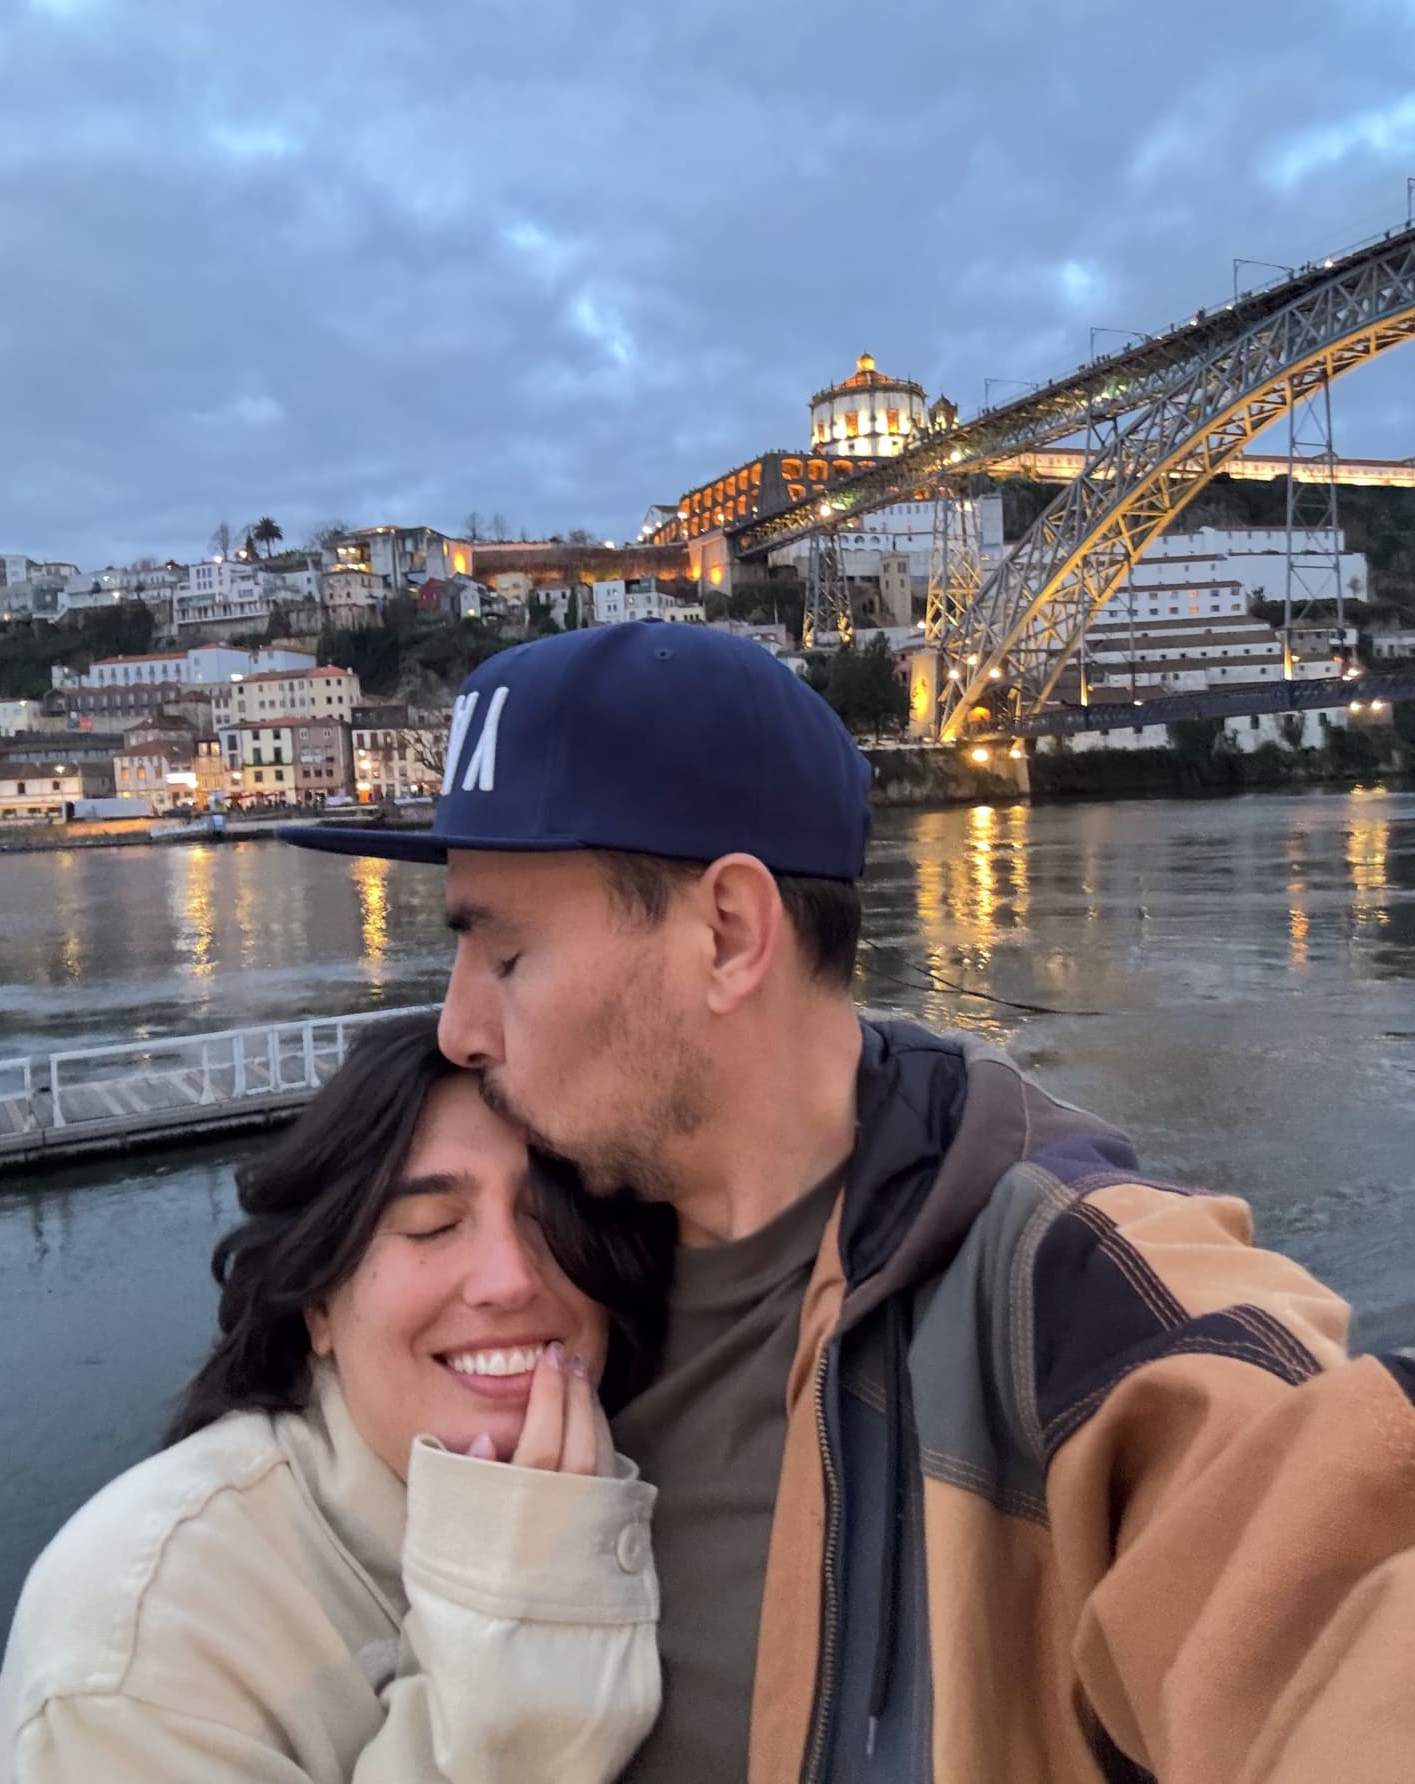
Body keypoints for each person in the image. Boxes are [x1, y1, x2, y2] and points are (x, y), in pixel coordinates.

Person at [278, 619, 1415, 1783]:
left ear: (727, 935)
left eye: (505, 958)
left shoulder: (1064, 1292)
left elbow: (1329, 1565)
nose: (458, 1030)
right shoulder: (545, 1275)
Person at [0, 1014, 667, 1783]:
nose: (508, 1277)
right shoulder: (152, 1650)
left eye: (553, 1218)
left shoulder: (679, 1473)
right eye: (431, 1225)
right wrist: (528, 1667)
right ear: (318, 1304)